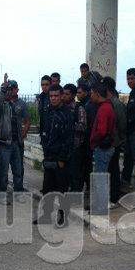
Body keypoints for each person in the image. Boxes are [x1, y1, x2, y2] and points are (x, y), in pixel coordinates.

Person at [33, 84, 74, 227]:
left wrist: (62, 159)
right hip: (49, 157)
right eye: (51, 96)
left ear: (62, 96)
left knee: (62, 190)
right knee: (47, 189)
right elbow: (45, 133)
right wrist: (45, 150)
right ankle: (45, 215)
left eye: (56, 96)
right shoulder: (49, 113)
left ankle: (63, 217)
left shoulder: (67, 115)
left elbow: (68, 140)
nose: (53, 98)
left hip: (61, 160)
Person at [0, 74, 31, 204]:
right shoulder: (0, 106)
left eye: (10, 90)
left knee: (18, 170)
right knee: (3, 171)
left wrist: (22, 136)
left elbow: (26, 120)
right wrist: (2, 90)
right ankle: (2, 195)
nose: (8, 92)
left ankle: (18, 193)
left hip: (16, 143)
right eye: (6, 90)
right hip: (4, 143)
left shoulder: (16, 105)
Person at [89, 82, 116, 214]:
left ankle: (102, 207)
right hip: (104, 146)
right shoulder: (105, 107)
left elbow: (102, 130)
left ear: (97, 95)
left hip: (103, 147)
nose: (91, 97)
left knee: (100, 179)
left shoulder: (104, 108)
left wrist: (92, 139)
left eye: (92, 94)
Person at [103, 76, 126, 205]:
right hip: (107, 142)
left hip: (113, 141)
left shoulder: (115, 103)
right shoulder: (106, 102)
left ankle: (114, 197)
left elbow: (121, 123)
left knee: (113, 170)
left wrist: (121, 138)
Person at [63, 84, 88, 192]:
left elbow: (83, 127)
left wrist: (70, 125)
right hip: (64, 147)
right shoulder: (62, 108)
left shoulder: (79, 109)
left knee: (75, 174)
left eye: (67, 94)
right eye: (63, 94)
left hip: (76, 147)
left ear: (73, 95)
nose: (64, 96)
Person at [76, 84, 96, 193]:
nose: (78, 95)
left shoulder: (89, 104)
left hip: (87, 139)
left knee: (87, 165)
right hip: (83, 140)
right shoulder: (81, 104)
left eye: (80, 93)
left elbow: (90, 123)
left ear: (86, 93)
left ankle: (88, 187)